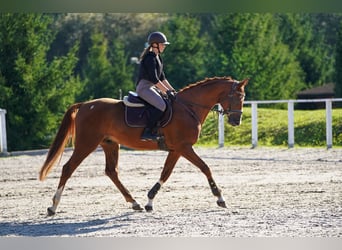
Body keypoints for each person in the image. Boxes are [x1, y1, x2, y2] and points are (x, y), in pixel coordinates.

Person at [136, 31, 176, 141]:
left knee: (168, 102)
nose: (164, 46)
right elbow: (154, 79)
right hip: (144, 87)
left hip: (152, 87)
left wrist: (172, 90)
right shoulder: (150, 58)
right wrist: (166, 91)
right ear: (155, 45)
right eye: (162, 44)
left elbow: (162, 78)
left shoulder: (158, 57)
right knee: (161, 105)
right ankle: (147, 131)